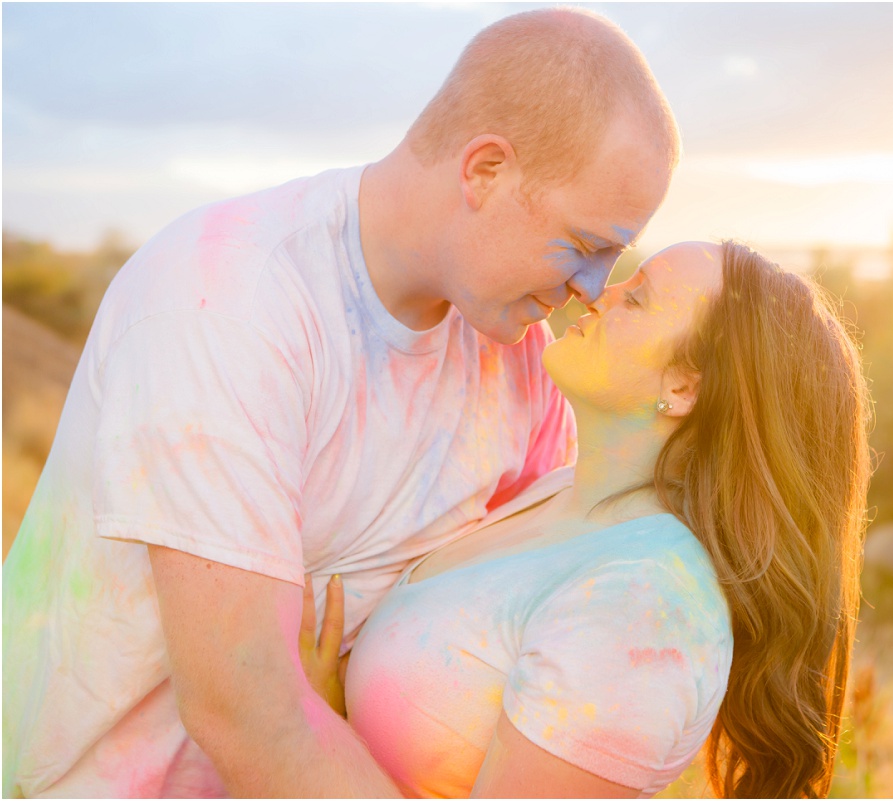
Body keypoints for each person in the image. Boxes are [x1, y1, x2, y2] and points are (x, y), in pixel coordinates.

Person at [2, 8, 678, 798]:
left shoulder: (524, 365)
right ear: (485, 170)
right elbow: (246, 711)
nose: (591, 290)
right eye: (585, 246)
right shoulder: (227, 299)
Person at [302, 241, 873, 797]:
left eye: (636, 298)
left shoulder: (643, 604)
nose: (598, 293)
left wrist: (311, 725)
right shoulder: (561, 493)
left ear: (683, 386)